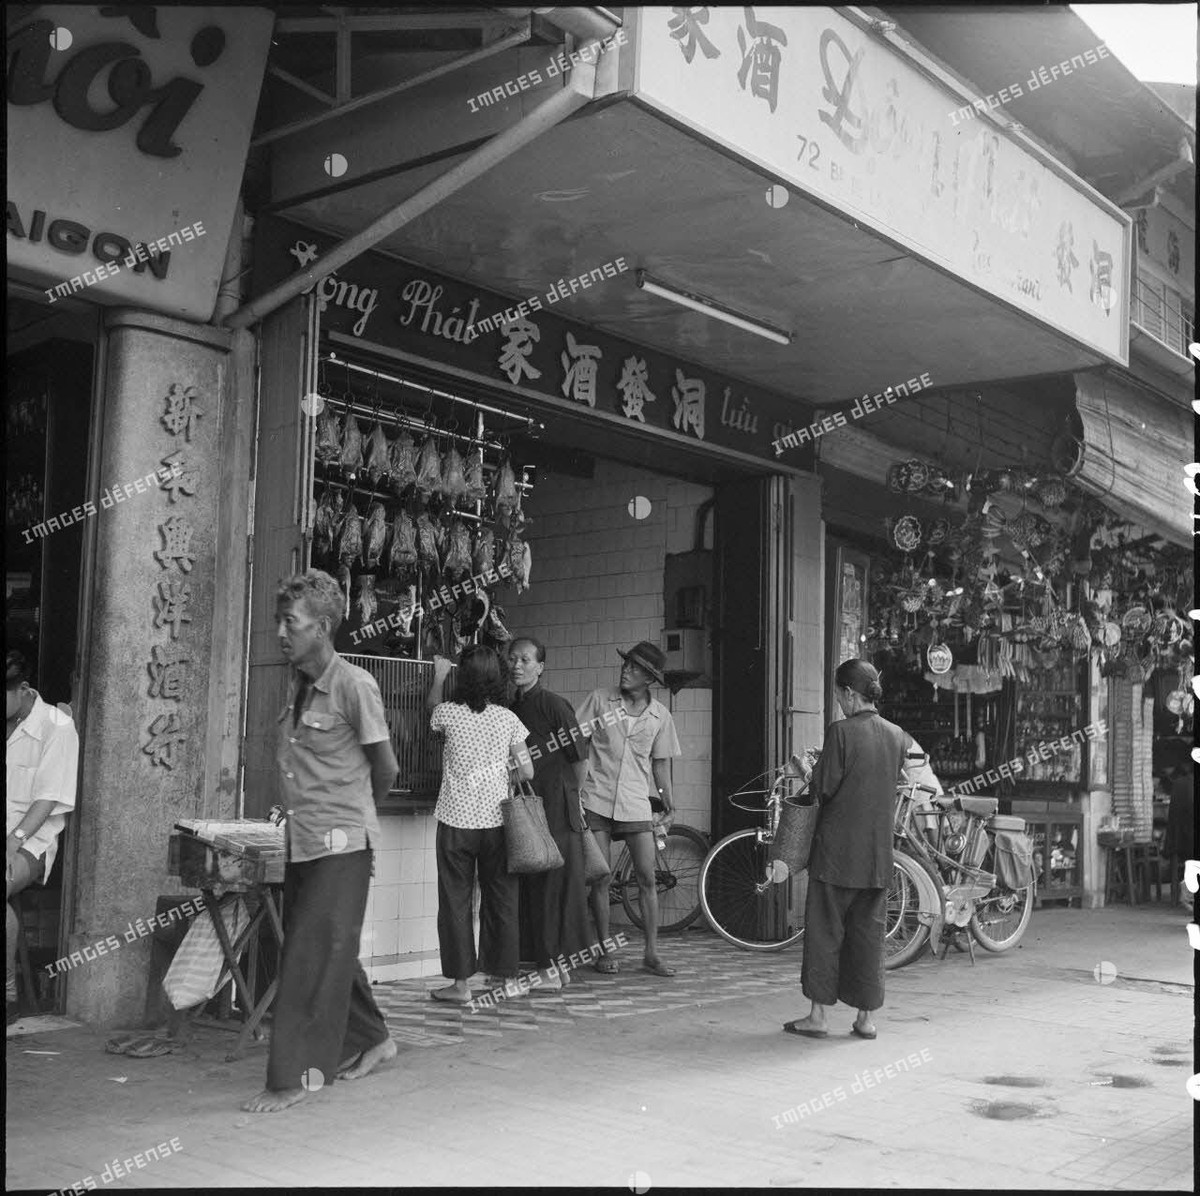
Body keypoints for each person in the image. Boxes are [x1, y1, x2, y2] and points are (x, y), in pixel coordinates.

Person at [243, 570, 398, 1114]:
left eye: (292, 623)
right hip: (303, 840)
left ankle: (295, 1079)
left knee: (309, 953)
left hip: (341, 842)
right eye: (280, 621)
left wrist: (355, 818)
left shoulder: (354, 684)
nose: (281, 633)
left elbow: (386, 767)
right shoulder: (299, 683)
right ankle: (376, 1039)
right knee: (327, 946)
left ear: (323, 627)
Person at [785, 659, 912, 1041]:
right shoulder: (896, 735)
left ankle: (818, 1017)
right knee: (869, 937)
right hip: (876, 856)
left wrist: (805, 773)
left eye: (839, 694)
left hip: (837, 853)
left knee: (825, 933)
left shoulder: (840, 732)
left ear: (849, 693)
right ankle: (865, 1019)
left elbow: (822, 788)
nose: (838, 702)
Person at [427, 645, 533, 1003]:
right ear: (499, 678)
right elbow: (528, 770)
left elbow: (430, 713)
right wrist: (498, 773)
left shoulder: (448, 713)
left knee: (455, 902)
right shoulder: (508, 719)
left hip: (455, 822)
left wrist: (439, 676)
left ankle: (459, 986)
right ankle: (504, 978)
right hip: (497, 823)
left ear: (463, 677)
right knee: (502, 899)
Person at [576, 641, 681, 977]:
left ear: (648, 679)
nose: (626, 670)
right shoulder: (599, 700)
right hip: (596, 797)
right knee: (601, 877)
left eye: (635, 668)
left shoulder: (660, 715)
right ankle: (603, 950)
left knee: (647, 877)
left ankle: (651, 953)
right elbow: (578, 744)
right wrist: (576, 790)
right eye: (626, 665)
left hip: (635, 802)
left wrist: (667, 800)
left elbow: (660, 765)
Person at [509, 637, 592, 991]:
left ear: (540, 667)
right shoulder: (511, 705)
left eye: (525, 660)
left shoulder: (553, 704)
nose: (517, 665)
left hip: (557, 806)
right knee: (537, 885)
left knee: (553, 887)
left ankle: (552, 969)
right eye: (512, 659)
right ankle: (552, 966)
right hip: (530, 803)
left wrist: (570, 797)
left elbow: (580, 758)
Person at [7, 650, 79, 1025]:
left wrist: (13, 839)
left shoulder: (56, 726)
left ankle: (7, 994)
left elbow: (48, 798)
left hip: (28, 844)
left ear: (22, 689)